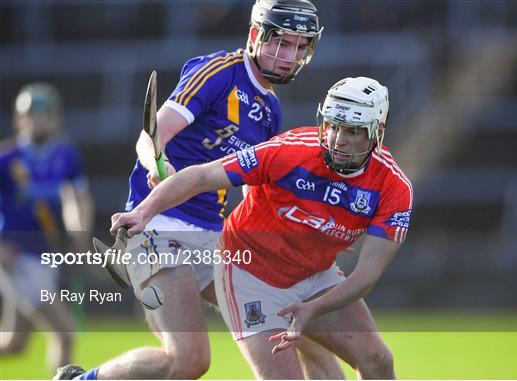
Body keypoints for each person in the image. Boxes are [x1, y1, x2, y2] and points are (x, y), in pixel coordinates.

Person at [55, 1, 345, 379]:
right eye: (280, 43)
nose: (288, 56)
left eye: (298, 47)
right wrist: (157, 165)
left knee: (294, 323)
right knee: (189, 361)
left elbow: (254, 192)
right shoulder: (220, 72)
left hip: (215, 240)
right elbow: (151, 135)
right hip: (158, 227)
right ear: (256, 34)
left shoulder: (270, 109)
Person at [109, 76, 413, 379]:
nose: (337, 139)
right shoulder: (289, 151)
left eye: (352, 131)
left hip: (314, 276)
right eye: (332, 125)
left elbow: (366, 274)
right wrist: (143, 212)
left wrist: (315, 307)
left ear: (377, 132)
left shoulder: (394, 188)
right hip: (249, 276)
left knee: (378, 360)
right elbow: (201, 176)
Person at [0, 83, 94, 372]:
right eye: (31, 114)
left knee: (15, 343)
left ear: (56, 118)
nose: (38, 120)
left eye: (45, 114)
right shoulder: (6, 159)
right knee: (65, 333)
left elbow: (78, 201)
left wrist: (79, 237)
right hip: (16, 258)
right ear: (19, 119)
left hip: (44, 255)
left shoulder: (66, 156)